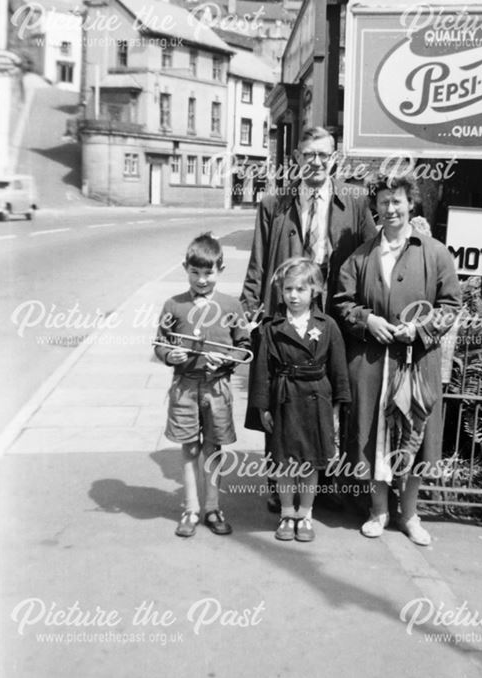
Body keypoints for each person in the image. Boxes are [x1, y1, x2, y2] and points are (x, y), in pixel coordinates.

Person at [241, 125, 376, 511]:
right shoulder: (275, 202)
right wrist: (248, 312)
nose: (315, 162)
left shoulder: (354, 200)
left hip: (332, 317)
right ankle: (276, 483)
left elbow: (369, 255)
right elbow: (257, 262)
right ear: (296, 158)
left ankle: (322, 483)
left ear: (334, 158)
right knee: (279, 398)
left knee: (326, 398)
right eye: (308, 154)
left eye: (323, 154)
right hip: (285, 313)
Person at [334, 171, 461, 546]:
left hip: (416, 361)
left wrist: (420, 329)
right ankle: (379, 510)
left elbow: (451, 304)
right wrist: (368, 320)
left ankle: (410, 514)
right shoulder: (361, 255)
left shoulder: (435, 252)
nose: (390, 209)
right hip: (373, 363)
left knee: (416, 437)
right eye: (384, 202)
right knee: (375, 436)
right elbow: (343, 303)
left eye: (397, 201)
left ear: (411, 204)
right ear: (375, 207)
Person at [155, 232, 251, 538]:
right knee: (190, 446)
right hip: (185, 385)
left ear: (220, 271)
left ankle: (213, 507)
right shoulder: (174, 304)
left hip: (217, 387)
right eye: (195, 272)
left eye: (208, 273)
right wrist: (171, 354)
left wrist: (226, 361)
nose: (201, 280)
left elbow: (244, 345)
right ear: (185, 268)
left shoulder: (231, 305)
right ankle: (191, 508)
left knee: (213, 446)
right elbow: (159, 344)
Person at [249, 257, 351, 543]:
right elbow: (262, 371)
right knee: (284, 463)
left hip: (317, 401)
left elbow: (339, 370)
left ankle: (305, 514)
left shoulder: (327, 325)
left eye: (300, 290)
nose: (293, 295)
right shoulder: (271, 327)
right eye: (288, 289)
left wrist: (336, 409)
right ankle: (286, 512)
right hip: (284, 400)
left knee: (310, 464)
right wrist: (263, 407)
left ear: (315, 290)